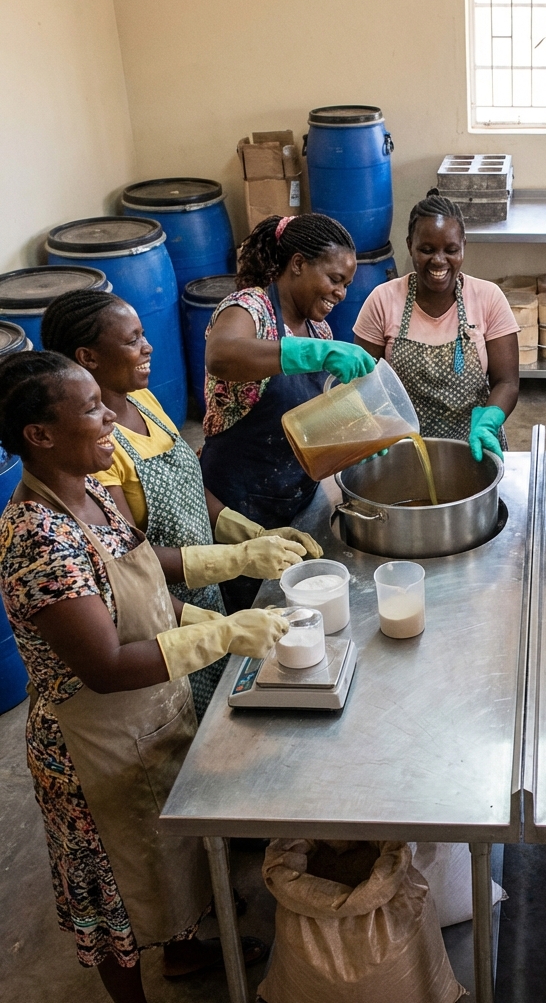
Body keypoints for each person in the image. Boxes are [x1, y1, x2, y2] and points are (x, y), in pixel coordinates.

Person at [0, 351, 289, 1002]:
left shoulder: (90, 484)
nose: (110, 418)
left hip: (151, 709)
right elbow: (103, 666)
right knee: (115, 895)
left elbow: (140, 571)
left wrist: (233, 557)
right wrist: (219, 636)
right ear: (39, 436)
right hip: (90, 748)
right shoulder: (37, 540)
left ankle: (184, 951)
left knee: (171, 853)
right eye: (93, 410)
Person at [40, 289, 322, 719]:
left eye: (144, 335)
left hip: (201, 596)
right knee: (179, 720)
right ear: (88, 357)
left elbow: (191, 490)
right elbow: (131, 559)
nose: (148, 347)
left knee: (212, 715)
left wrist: (252, 535)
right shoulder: (93, 455)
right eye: (132, 340)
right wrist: (235, 566)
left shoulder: (143, 401)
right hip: (156, 615)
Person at [202, 213, 375, 609]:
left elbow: (309, 421)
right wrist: (307, 354)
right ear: (298, 264)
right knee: (250, 615)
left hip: (294, 501)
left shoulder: (320, 331)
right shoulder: (250, 307)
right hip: (236, 504)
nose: (341, 294)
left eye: (346, 285)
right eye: (334, 279)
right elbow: (222, 355)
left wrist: (361, 429)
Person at [353, 192, 520, 461]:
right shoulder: (382, 300)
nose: (439, 261)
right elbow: (363, 384)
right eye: (427, 250)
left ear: (463, 246)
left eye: (451, 250)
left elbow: (507, 382)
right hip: (401, 449)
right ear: (410, 246)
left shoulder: (488, 298)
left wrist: (489, 421)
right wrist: (374, 427)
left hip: (474, 448)